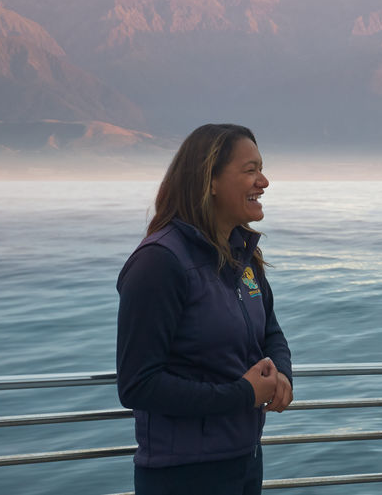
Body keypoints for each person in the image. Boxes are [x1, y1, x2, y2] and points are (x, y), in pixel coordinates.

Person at [116, 123, 293, 495]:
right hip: (184, 475)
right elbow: (138, 384)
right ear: (209, 181)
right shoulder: (159, 262)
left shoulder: (242, 256)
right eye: (250, 170)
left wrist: (283, 375)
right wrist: (243, 396)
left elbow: (271, 331)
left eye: (261, 168)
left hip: (245, 460)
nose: (263, 181)